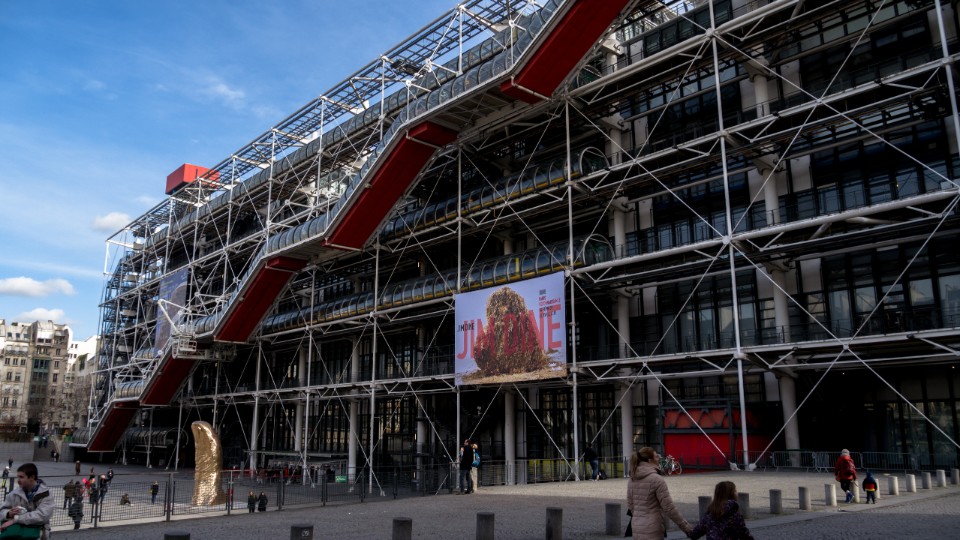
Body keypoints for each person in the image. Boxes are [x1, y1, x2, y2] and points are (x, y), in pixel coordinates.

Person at [626, 447, 692, 539]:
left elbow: (630, 505)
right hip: (653, 529)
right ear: (650, 460)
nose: (659, 459)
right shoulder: (657, 479)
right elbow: (669, 508)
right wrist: (687, 528)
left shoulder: (632, 479)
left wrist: (640, 517)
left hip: (636, 527)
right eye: (656, 456)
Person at [0, 463, 55, 539]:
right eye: (18, 477)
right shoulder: (14, 494)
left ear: (32, 477)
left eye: (21, 477)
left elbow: (42, 516)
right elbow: (1, 511)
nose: (18, 480)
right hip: (16, 534)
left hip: (38, 534)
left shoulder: (46, 494)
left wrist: (16, 519)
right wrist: (8, 514)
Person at [688, 481, 754, 540]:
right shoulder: (734, 515)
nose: (737, 493)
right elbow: (745, 535)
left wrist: (683, 524)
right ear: (731, 494)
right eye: (735, 491)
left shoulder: (709, 514)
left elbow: (694, 534)